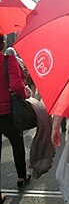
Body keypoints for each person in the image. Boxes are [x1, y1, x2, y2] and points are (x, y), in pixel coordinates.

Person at [0, 34, 31, 187]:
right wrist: (27, 93)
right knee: (17, 144)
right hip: (8, 113)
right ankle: (21, 177)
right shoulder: (9, 60)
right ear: (3, 43)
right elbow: (17, 85)